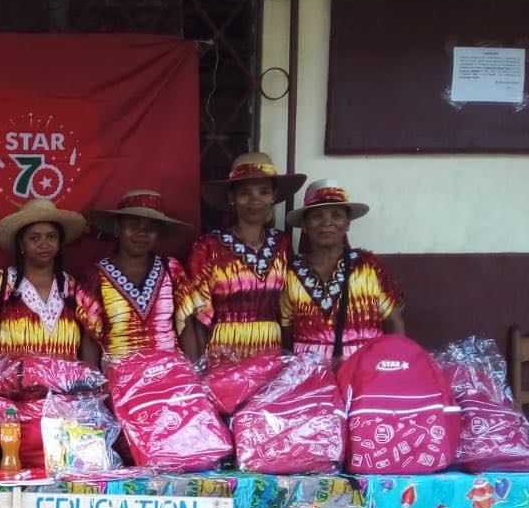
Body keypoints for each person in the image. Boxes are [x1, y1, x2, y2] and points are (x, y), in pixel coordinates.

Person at [178, 152, 307, 363]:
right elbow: (194, 315)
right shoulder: (208, 246)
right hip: (222, 354)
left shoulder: (282, 244)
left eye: (263, 192)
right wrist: (197, 369)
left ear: (273, 196)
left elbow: (288, 309)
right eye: (245, 193)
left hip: (271, 353)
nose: (255, 200)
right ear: (232, 198)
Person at [280, 179, 405, 366]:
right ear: (305, 226)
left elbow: (394, 324)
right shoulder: (290, 272)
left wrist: (393, 366)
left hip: (365, 370)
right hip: (308, 374)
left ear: (347, 224)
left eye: (336, 215)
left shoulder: (368, 266)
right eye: (317, 216)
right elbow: (287, 331)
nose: (327, 222)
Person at [0, 198, 100, 367]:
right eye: (34, 238)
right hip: (10, 390)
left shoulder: (72, 287)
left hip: (66, 390)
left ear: (59, 242)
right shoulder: (1, 283)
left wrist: (90, 387)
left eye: (51, 237)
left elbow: (89, 342)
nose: (44, 244)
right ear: (21, 243)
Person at [86, 190, 190, 360]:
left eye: (151, 228)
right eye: (133, 226)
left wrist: (193, 376)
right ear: (118, 228)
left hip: (170, 378)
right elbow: (90, 338)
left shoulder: (172, 269)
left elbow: (187, 327)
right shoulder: (96, 275)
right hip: (119, 380)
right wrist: (92, 384)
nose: (142, 233)